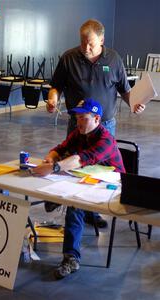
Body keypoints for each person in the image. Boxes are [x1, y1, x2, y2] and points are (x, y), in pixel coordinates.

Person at [46, 18, 145, 227]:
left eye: (90, 43)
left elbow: (125, 90)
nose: (86, 48)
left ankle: (94, 212)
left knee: (98, 168)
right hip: (78, 123)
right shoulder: (69, 58)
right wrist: (53, 98)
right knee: (76, 166)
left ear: (102, 40)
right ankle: (74, 206)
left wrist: (134, 103)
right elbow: (56, 86)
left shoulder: (114, 60)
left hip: (105, 124)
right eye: (82, 42)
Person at [33, 99, 125, 279]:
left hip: (113, 186)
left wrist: (54, 167)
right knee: (64, 184)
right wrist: (50, 159)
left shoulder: (106, 139)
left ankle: (71, 258)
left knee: (74, 206)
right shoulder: (79, 133)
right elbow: (60, 148)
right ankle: (61, 201)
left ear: (97, 118)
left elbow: (80, 159)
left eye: (83, 118)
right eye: (77, 117)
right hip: (89, 179)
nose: (78, 122)